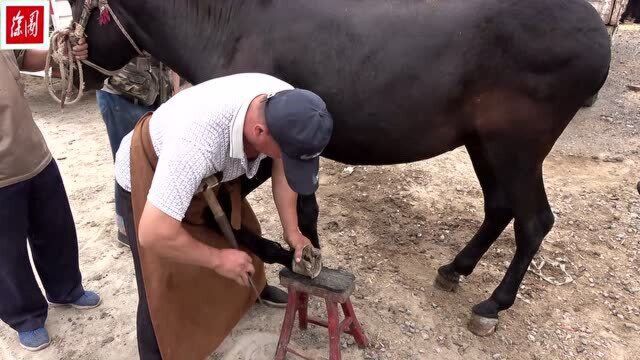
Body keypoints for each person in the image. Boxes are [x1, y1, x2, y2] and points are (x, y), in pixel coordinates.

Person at [114, 73, 332, 358]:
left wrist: (292, 230)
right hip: (149, 169)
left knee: (236, 230)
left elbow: (282, 165)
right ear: (259, 133)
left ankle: (250, 292)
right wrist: (216, 260)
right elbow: (154, 232)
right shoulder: (196, 143)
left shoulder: (288, 104)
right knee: (159, 282)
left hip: (208, 166)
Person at [0, 40, 101, 352]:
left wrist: (60, 54)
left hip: (33, 152)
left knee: (56, 228)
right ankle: (26, 317)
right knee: (7, 253)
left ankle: (66, 288)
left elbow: (22, 57)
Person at [95, 56, 173, 247]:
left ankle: (151, 222)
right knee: (129, 163)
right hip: (122, 93)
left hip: (156, 90)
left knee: (153, 160)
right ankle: (127, 228)